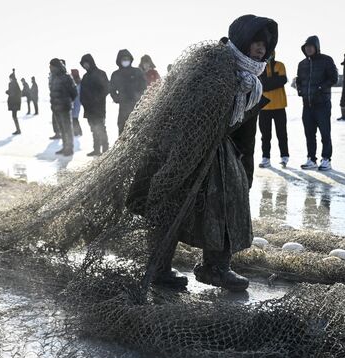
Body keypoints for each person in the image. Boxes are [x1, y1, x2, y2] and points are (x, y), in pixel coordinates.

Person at [128, 15, 278, 291]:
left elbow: (246, 131)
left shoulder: (253, 85)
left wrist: (246, 169)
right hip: (184, 148)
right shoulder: (214, 64)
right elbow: (181, 104)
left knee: (229, 204)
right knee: (172, 204)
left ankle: (216, 268)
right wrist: (186, 150)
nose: (261, 49)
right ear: (243, 40)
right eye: (256, 42)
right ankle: (158, 267)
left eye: (265, 45)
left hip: (221, 154)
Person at [295, 36, 338, 171]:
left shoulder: (326, 60)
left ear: (316, 47)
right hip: (307, 105)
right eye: (306, 47)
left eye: (311, 46)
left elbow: (334, 78)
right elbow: (299, 80)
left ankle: (326, 159)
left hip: (322, 104)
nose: (308, 49)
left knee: (325, 133)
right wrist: (300, 89)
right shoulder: (302, 64)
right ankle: (311, 159)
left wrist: (320, 88)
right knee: (309, 134)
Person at [258, 52, 289, 168]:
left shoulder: (280, 65)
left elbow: (283, 80)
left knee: (282, 134)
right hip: (264, 106)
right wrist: (273, 81)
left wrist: (266, 83)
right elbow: (261, 84)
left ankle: (284, 156)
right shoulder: (259, 67)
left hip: (279, 106)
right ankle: (265, 157)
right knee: (265, 135)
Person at [109, 49, 147, 134]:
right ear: (119, 61)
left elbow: (144, 86)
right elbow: (111, 89)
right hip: (123, 105)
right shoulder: (116, 74)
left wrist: (140, 97)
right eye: (123, 59)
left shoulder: (137, 71)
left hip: (137, 105)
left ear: (130, 59)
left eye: (127, 59)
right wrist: (116, 98)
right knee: (122, 127)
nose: (125, 61)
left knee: (139, 127)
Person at [80, 53, 110, 156]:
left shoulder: (101, 73)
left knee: (101, 128)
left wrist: (97, 99)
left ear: (91, 62)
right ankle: (96, 149)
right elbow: (82, 92)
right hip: (88, 109)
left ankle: (105, 150)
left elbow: (106, 89)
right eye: (83, 64)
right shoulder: (85, 76)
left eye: (87, 63)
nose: (85, 66)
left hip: (99, 107)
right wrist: (83, 102)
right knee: (93, 129)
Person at [49, 58, 78, 156]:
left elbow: (74, 92)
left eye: (51, 65)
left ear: (56, 66)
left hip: (65, 107)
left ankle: (69, 148)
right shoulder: (52, 77)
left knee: (67, 129)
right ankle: (65, 147)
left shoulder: (66, 77)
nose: (50, 67)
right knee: (61, 129)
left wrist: (67, 101)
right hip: (56, 108)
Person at [70, 69, 83, 151]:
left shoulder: (79, 82)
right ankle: (76, 131)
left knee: (75, 118)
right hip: (74, 102)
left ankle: (78, 131)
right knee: (74, 118)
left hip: (77, 102)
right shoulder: (73, 82)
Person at [6, 69, 22, 135]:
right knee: (14, 116)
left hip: (14, 102)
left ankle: (18, 130)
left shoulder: (13, 84)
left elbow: (13, 93)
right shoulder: (15, 83)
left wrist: (8, 92)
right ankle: (18, 129)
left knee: (14, 116)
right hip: (15, 102)